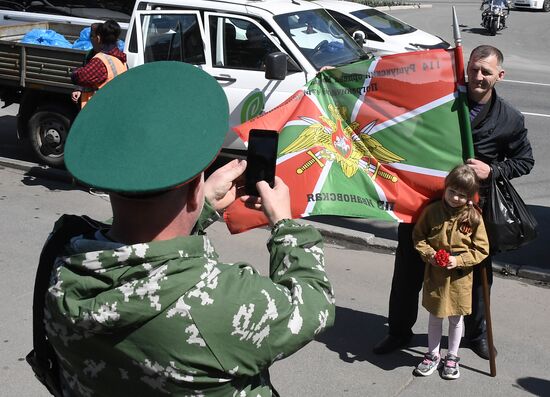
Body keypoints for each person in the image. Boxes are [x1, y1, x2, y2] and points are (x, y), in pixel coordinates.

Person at [39, 62, 335, 396]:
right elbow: (313, 307)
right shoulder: (221, 302)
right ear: (197, 188)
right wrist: (286, 225)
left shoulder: (61, 256)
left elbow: (129, 243)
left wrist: (201, 206)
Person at [373, 45, 534, 360]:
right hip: (424, 206)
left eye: (486, 71)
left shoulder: (510, 118)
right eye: (473, 68)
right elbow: (407, 141)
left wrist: (494, 170)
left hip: (473, 214)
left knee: (477, 277)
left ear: (499, 76)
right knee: (408, 272)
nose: (478, 76)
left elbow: (524, 160)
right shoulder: (437, 104)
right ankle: (398, 332)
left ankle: (476, 337)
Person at [412, 165, 489, 380]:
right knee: (435, 316)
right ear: (445, 188)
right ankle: (433, 355)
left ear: (470, 196)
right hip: (435, 276)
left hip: (460, 279)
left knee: (456, 319)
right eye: (452, 192)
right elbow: (419, 238)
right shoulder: (432, 211)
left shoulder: (474, 218)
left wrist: (459, 260)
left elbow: (482, 249)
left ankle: (452, 356)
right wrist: (430, 255)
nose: (455, 198)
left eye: (462, 195)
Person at [71, 19, 127, 108]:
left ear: (98, 38)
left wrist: (75, 71)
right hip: (114, 105)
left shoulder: (100, 61)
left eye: (92, 36)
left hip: (97, 108)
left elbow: (79, 76)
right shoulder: (121, 58)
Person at [71, 22, 100, 105]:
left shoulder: (103, 57)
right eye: (90, 36)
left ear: (99, 38)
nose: (91, 38)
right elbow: (84, 75)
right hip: (87, 104)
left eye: (92, 36)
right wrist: (78, 89)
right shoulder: (89, 54)